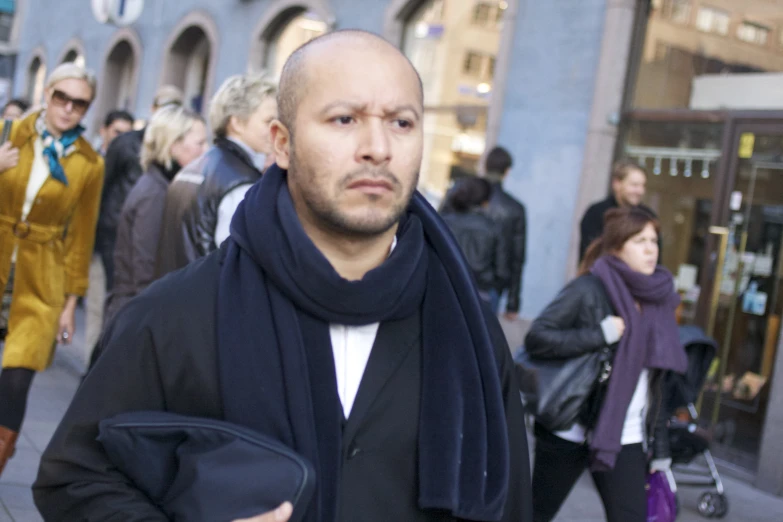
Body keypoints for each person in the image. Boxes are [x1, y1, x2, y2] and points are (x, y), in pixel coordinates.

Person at [33, 30, 532, 522]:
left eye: (401, 123)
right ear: (281, 143)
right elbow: (73, 478)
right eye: (344, 118)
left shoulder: (468, 331)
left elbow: (511, 502)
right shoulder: (177, 314)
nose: (377, 147)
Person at [525, 206, 688, 522]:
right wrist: (599, 334)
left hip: (624, 436)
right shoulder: (589, 288)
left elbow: (658, 385)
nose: (650, 249)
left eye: (653, 241)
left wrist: (662, 448)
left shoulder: (661, 299)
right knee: (536, 512)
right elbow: (538, 337)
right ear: (616, 247)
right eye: (639, 240)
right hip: (570, 428)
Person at [0, 63, 104, 476]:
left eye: (80, 104)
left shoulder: (89, 163)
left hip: (42, 277)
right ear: (46, 93)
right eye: (62, 97)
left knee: (16, 378)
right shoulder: (9, 134)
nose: (68, 109)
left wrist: (70, 302)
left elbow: (82, 235)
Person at [156, 73, 277, 277]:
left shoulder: (194, 168)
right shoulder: (241, 184)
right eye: (269, 121)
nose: (276, 129)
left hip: (177, 299)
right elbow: (239, 269)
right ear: (237, 123)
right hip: (208, 304)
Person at [101, 105, 207, 329]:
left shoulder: (162, 185)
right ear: (174, 146)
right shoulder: (155, 194)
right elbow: (147, 273)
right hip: (137, 320)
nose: (206, 151)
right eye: (199, 143)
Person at [94, 84, 183, 291]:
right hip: (115, 232)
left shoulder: (177, 150)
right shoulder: (125, 143)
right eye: (165, 106)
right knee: (115, 292)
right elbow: (103, 187)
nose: (168, 113)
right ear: (153, 109)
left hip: (152, 233)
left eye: (175, 108)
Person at [441, 176, 509, 305]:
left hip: (444, 287)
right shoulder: (493, 228)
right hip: (481, 292)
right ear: (486, 201)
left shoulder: (443, 222)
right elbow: (502, 270)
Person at [579, 160, 655, 262]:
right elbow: (590, 255)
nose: (640, 191)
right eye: (634, 185)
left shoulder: (648, 216)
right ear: (617, 184)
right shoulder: (596, 213)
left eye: (643, 185)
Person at [484, 146, 527, 319]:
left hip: (455, 276)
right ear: (507, 171)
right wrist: (513, 301)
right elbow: (518, 258)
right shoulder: (515, 208)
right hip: (492, 285)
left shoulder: (462, 197)